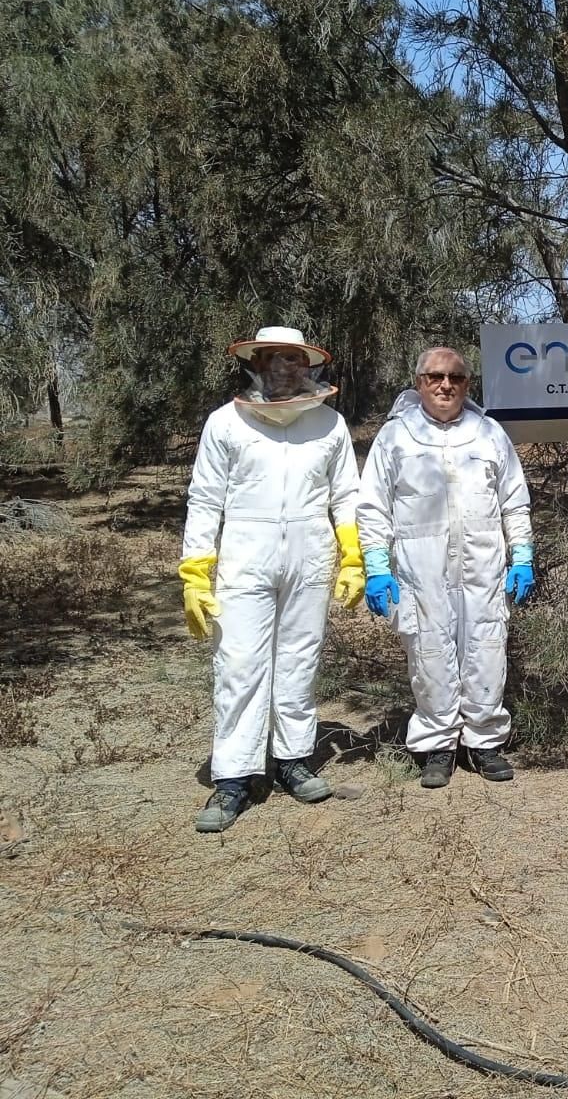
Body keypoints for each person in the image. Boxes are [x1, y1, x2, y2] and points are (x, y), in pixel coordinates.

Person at [178, 327, 364, 833]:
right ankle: (234, 776)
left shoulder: (328, 424)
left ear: (308, 366)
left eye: (293, 358)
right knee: (239, 663)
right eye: (274, 358)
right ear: (256, 364)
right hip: (245, 553)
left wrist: (352, 556)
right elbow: (205, 498)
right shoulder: (226, 423)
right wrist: (196, 570)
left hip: (309, 551)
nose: (285, 366)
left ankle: (292, 758)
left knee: (300, 658)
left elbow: (347, 495)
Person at [356, 346, 535, 788]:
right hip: (422, 571)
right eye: (435, 376)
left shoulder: (489, 434)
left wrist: (523, 556)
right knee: (430, 653)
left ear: (467, 385)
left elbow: (514, 499)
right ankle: (438, 744)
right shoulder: (396, 436)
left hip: (484, 569)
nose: (445, 385)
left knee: (487, 649)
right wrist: (377, 565)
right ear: (419, 382)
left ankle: (484, 741)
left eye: (455, 378)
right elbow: (372, 505)